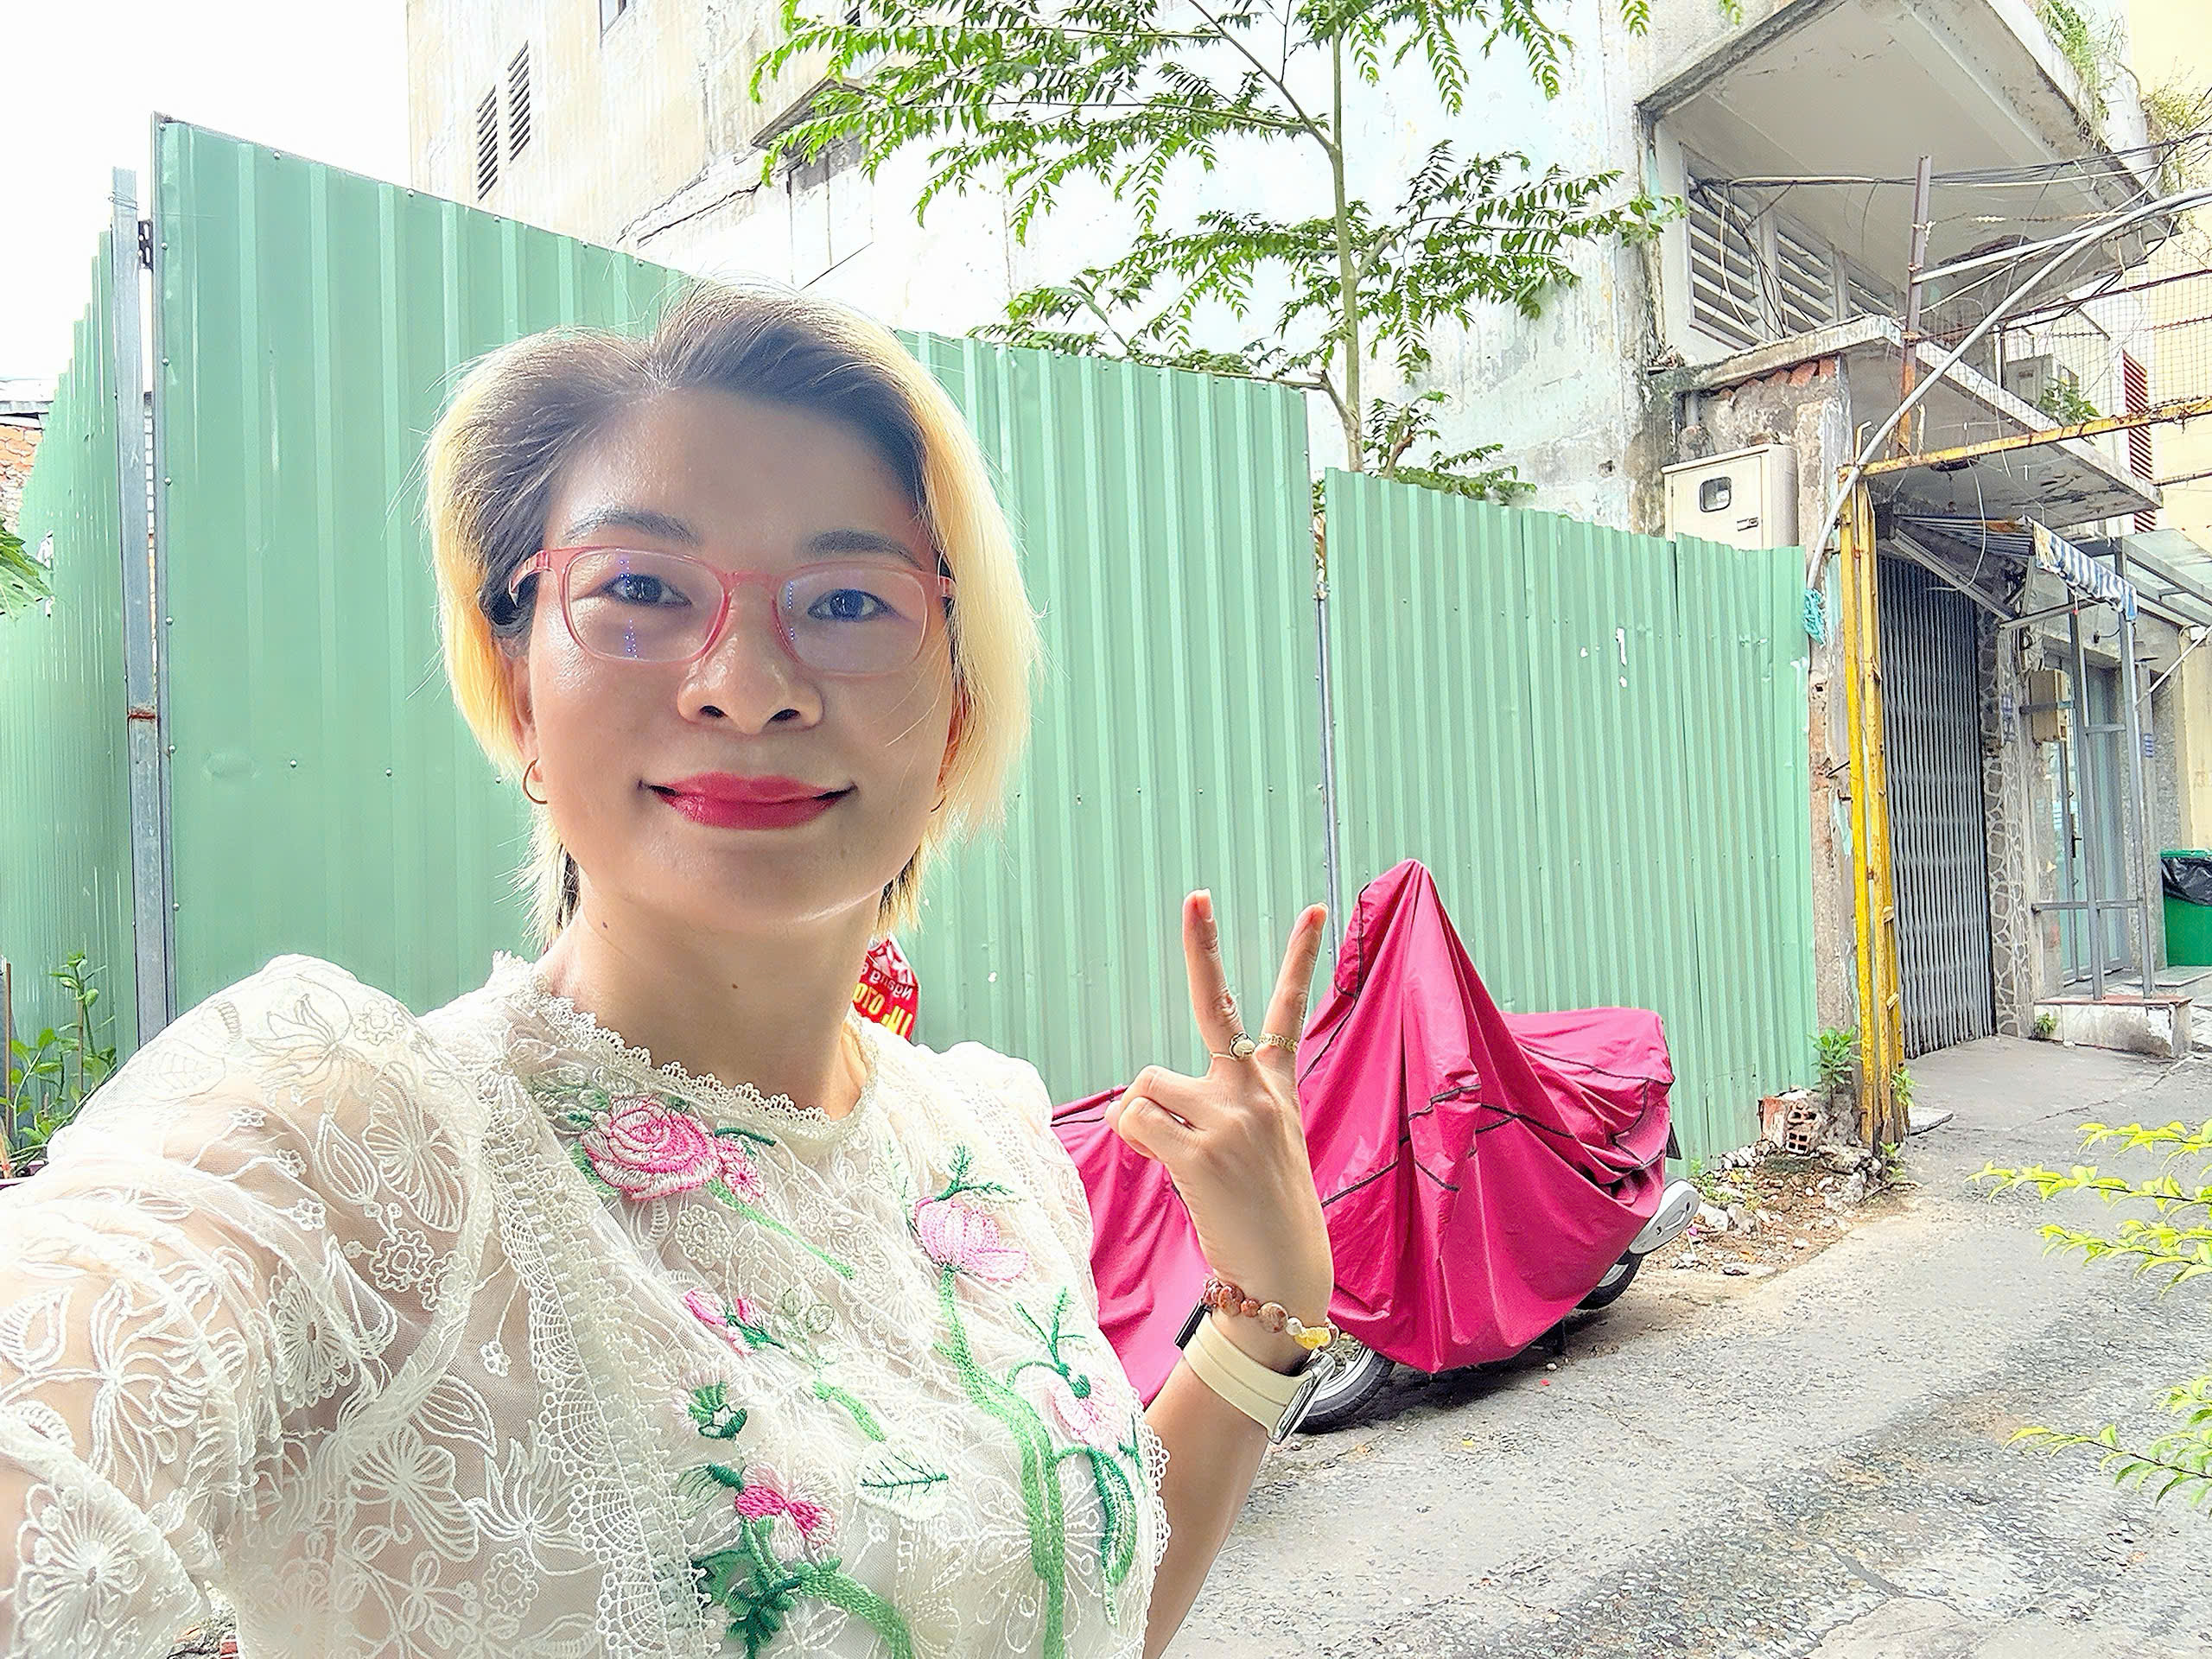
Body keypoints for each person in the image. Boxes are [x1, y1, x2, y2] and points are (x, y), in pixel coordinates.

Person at [0, 283, 1335, 1658]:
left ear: (955, 712)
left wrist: (1264, 1316)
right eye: (639, 589)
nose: (745, 683)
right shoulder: (359, 1159)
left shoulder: (988, 1147)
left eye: (847, 601)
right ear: (519, 689)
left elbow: (1067, 1617)